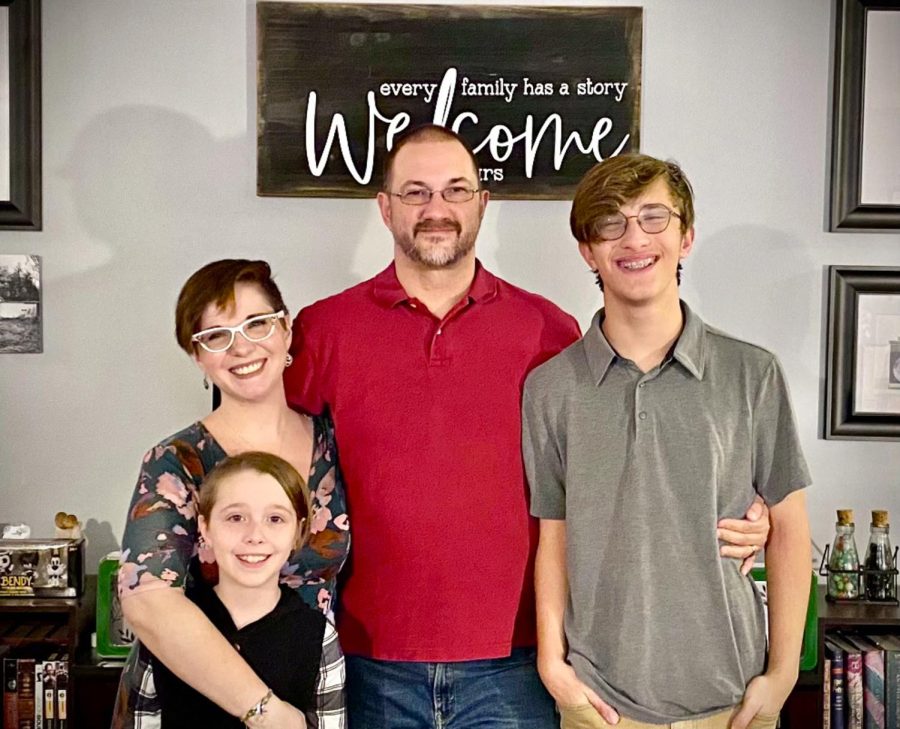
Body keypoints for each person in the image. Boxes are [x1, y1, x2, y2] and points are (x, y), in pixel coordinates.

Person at [285, 125, 769, 729]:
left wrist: (751, 510)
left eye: (456, 190)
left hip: (519, 661)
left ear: (482, 204)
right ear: (385, 208)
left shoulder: (548, 331)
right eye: (416, 193)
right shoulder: (324, 330)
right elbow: (271, 462)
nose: (437, 209)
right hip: (368, 658)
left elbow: (625, 463)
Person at [522, 153, 812, 729]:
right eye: (611, 222)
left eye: (654, 217)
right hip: (599, 705)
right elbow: (553, 536)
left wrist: (780, 677)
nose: (635, 238)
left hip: (731, 701)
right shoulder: (550, 387)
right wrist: (554, 667)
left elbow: (790, 533)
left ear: (685, 237)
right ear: (588, 250)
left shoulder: (752, 374)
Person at [113, 259, 349, 729]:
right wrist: (266, 712)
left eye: (256, 324)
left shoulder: (337, 444)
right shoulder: (176, 461)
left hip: (313, 678)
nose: (241, 347)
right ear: (198, 358)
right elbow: (149, 602)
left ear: (285, 331)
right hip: (193, 694)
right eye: (216, 336)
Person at [151, 451, 346, 728]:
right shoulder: (167, 623)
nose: (255, 535)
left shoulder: (318, 636)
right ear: (205, 527)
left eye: (275, 519)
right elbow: (139, 717)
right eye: (235, 518)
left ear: (297, 531)